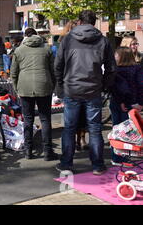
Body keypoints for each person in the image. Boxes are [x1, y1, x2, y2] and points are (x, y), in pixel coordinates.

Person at [54, 10, 116, 175]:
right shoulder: (102, 41)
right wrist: (104, 86)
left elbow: (58, 65)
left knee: (70, 128)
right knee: (95, 128)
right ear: (94, 23)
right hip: (93, 90)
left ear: (80, 22)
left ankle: (67, 164)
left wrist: (60, 86)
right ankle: (98, 165)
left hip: (72, 89)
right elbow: (111, 68)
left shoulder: (68, 39)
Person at [11, 28, 58, 161]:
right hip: (44, 85)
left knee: (28, 119)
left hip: (25, 87)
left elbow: (13, 73)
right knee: (45, 119)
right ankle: (48, 151)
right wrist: (51, 85)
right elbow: (53, 70)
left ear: (25, 36)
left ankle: (28, 151)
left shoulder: (19, 50)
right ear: (37, 35)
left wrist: (16, 89)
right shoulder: (46, 48)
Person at [58, 20, 89, 151]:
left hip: (69, 84)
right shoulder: (82, 42)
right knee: (82, 115)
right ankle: (81, 140)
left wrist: (60, 84)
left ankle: (72, 147)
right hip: (84, 83)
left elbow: (58, 65)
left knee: (71, 119)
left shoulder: (63, 42)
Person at [109, 47, 143, 166]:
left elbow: (115, 88)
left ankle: (115, 156)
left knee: (116, 130)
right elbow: (140, 86)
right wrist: (140, 103)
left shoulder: (116, 70)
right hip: (131, 103)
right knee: (127, 132)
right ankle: (123, 156)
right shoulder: (137, 69)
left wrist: (120, 101)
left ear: (120, 57)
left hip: (117, 102)